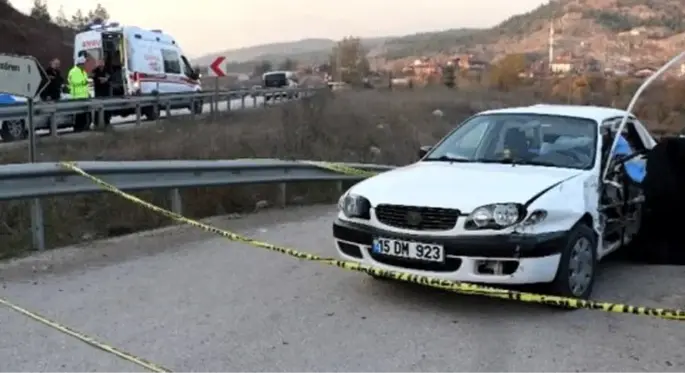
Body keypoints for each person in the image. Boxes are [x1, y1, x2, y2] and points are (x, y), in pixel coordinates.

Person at [68, 56, 92, 131]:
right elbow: (75, 82)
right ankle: (78, 128)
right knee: (79, 114)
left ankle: (84, 127)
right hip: (77, 96)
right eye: (84, 64)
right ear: (80, 64)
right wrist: (85, 82)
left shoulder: (83, 72)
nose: (85, 65)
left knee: (84, 114)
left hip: (84, 95)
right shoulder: (74, 71)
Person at [91, 59, 112, 126]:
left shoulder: (108, 70)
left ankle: (107, 121)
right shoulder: (95, 71)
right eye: (100, 63)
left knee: (107, 107)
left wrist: (106, 79)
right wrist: (100, 80)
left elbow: (111, 77)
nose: (101, 64)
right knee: (98, 107)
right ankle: (96, 122)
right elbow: (94, 79)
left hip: (106, 91)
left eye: (102, 63)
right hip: (98, 91)